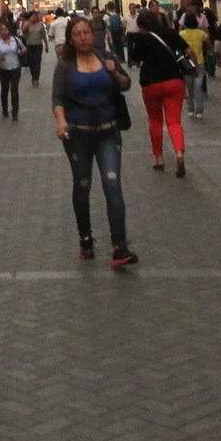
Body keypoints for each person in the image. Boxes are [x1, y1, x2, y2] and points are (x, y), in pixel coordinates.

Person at [49, 16, 136, 267]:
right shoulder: (65, 65)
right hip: (78, 134)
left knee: (113, 185)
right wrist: (61, 122)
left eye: (87, 32)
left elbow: (126, 84)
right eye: (78, 34)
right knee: (82, 185)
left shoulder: (106, 57)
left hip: (108, 132)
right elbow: (57, 99)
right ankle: (85, 239)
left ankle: (120, 246)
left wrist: (115, 73)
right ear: (71, 39)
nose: (84, 37)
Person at [128, 8, 190, 178]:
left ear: (142, 25)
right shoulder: (169, 33)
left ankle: (159, 159)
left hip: (150, 83)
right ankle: (179, 154)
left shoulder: (142, 39)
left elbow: (134, 58)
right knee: (174, 122)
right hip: (173, 81)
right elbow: (189, 51)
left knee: (155, 120)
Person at [178, 11, 209, 120]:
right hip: (199, 63)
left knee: (189, 88)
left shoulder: (182, 34)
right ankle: (199, 111)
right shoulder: (201, 34)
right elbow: (209, 44)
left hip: (186, 64)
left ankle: (190, 109)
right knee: (198, 88)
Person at [0, 20, 24, 119]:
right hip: (4, 70)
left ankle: (15, 112)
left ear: (9, 30)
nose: (4, 31)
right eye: (1, 30)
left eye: (5, 29)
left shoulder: (15, 40)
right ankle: (4, 109)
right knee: (4, 90)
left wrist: (22, 52)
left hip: (15, 68)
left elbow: (23, 48)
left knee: (14, 89)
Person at [21, 12, 47, 86]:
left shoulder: (40, 24)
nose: (34, 17)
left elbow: (43, 35)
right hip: (29, 45)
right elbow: (23, 31)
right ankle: (33, 76)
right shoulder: (27, 24)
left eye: (35, 16)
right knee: (31, 62)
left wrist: (46, 45)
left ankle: (36, 78)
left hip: (38, 45)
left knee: (37, 62)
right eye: (32, 16)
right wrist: (28, 22)